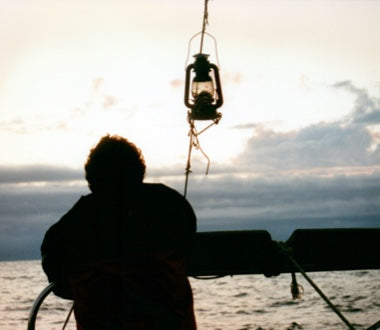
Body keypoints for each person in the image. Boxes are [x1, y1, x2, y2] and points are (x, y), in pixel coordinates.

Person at [41, 134, 197, 329]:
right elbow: (187, 249)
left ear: (92, 177)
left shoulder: (73, 223)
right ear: (139, 170)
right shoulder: (171, 205)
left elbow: (57, 275)